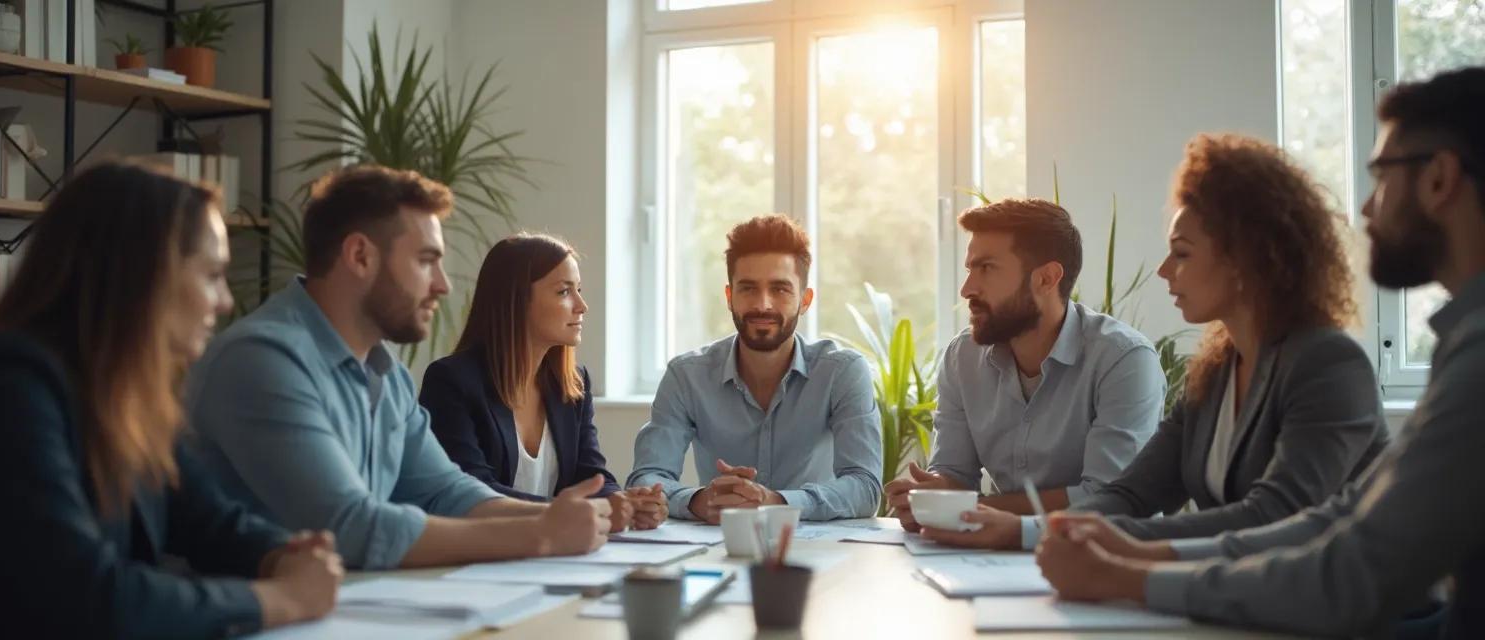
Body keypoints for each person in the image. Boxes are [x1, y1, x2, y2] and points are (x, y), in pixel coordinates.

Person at [1034, 66, 1485, 638]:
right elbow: (1343, 519)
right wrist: (1065, 542)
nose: (1368, 209)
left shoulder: (1359, 360)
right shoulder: (1218, 367)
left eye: (1379, 175)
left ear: (1440, 178)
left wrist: (1132, 574)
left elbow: (1334, 555)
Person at [920, 135, 1391, 551]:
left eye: (1181, 253)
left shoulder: (1329, 363)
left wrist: (1030, 533)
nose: (1165, 271)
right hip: (1249, 603)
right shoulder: (1219, 369)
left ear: (1246, 259)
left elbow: (1274, 516)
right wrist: (1023, 530)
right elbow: (1132, 496)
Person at [0, 162, 342, 637]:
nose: (224, 302)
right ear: (141, 273)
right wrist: (279, 598)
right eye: (212, 275)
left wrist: (283, 555)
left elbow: (210, 521)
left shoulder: (121, 393)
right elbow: (86, 599)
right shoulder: (5, 387)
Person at [188, 165, 610, 570]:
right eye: (427, 260)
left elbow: (445, 491)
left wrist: (558, 518)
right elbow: (349, 526)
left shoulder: (383, 371)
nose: (442, 285)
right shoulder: (263, 360)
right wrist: (540, 535)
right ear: (360, 256)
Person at [884, 199, 1164, 547]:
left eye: (986, 268)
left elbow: (1108, 497)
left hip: (1101, 554)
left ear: (1047, 278)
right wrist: (932, 496)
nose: (967, 289)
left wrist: (969, 509)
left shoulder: (1123, 359)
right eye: (969, 268)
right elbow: (955, 473)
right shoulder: (962, 357)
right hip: (996, 558)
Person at [628, 214, 883, 522]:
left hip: (816, 551)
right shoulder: (687, 376)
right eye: (748, 288)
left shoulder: (842, 372)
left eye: (780, 289)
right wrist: (699, 500)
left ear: (805, 300)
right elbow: (646, 478)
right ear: (729, 296)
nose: (763, 304)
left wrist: (774, 501)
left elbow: (865, 488)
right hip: (717, 546)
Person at [421, 233, 667, 531]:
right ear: (516, 301)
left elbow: (591, 475)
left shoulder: (574, 385)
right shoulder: (451, 381)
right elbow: (472, 492)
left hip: (554, 554)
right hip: (483, 554)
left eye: (578, 289)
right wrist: (588, 510)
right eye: (564, 292)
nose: (582, 305)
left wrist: (625, 503)